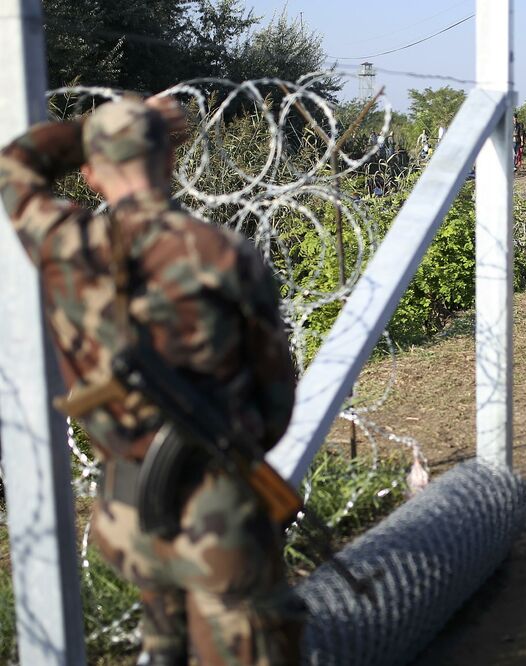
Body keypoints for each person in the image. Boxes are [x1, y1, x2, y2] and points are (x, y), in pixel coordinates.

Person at [0, 97, 302, 664]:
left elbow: (15, 165)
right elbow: (277, 398)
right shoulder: (224, 254)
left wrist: (97, 129)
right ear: (170, 159)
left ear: (89, 173)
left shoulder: (64, 245)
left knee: (162, 649)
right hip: (218, 515)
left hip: (128, 517)